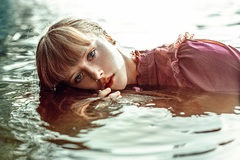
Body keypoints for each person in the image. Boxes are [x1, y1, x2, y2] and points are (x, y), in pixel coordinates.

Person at [36, 17, 240, 98]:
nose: (96, 74)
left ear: (109, 38)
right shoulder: (103, 99)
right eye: (78, 77)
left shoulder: (192, 59)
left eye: (91, 54)